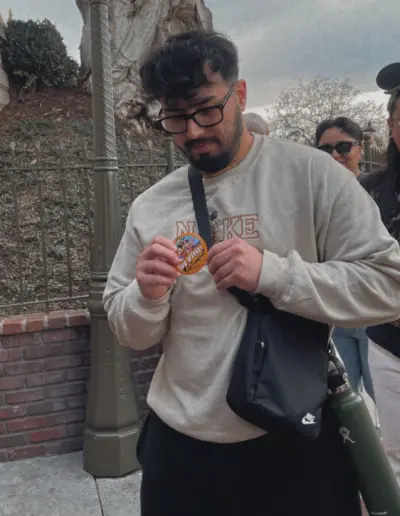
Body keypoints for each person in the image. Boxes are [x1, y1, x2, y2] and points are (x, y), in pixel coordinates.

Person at [104, 31, 400, 516]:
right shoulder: (151, 206)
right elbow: (130, 331)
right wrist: (146, 295)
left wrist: (273, 275)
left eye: (206, 109)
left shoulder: (312, 176)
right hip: (179, 450)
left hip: (295, 440)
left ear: (239, 94)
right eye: (175, 118)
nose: (192, 131)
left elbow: (389, 284)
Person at [315, 117, 375, 402]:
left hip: (377, 313)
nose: (335, 155)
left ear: (360, 149)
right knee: (346, 401)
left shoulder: (379, 190)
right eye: (326, 149)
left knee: (383, 397)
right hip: (337, 312)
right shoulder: (315, 198)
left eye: (343, 147)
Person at [361, 62, 400, 483]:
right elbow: (352, 262)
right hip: (389, 345)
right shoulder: (370, 191)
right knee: (395, 453)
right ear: (391, 125)